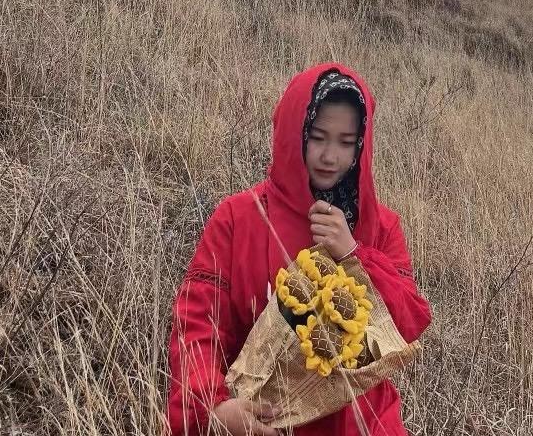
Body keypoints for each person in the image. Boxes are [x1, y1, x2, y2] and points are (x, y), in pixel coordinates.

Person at [167, 63, 431, 436]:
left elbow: (406, 327)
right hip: (261, 420)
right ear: (295, 133)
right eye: (318, 137)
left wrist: (354, 254)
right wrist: (211, 409)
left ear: (361, 146)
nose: (329, 156)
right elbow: (196, 327)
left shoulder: (381, 228)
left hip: (360, 424)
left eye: (345, 141)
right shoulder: (239, 218)